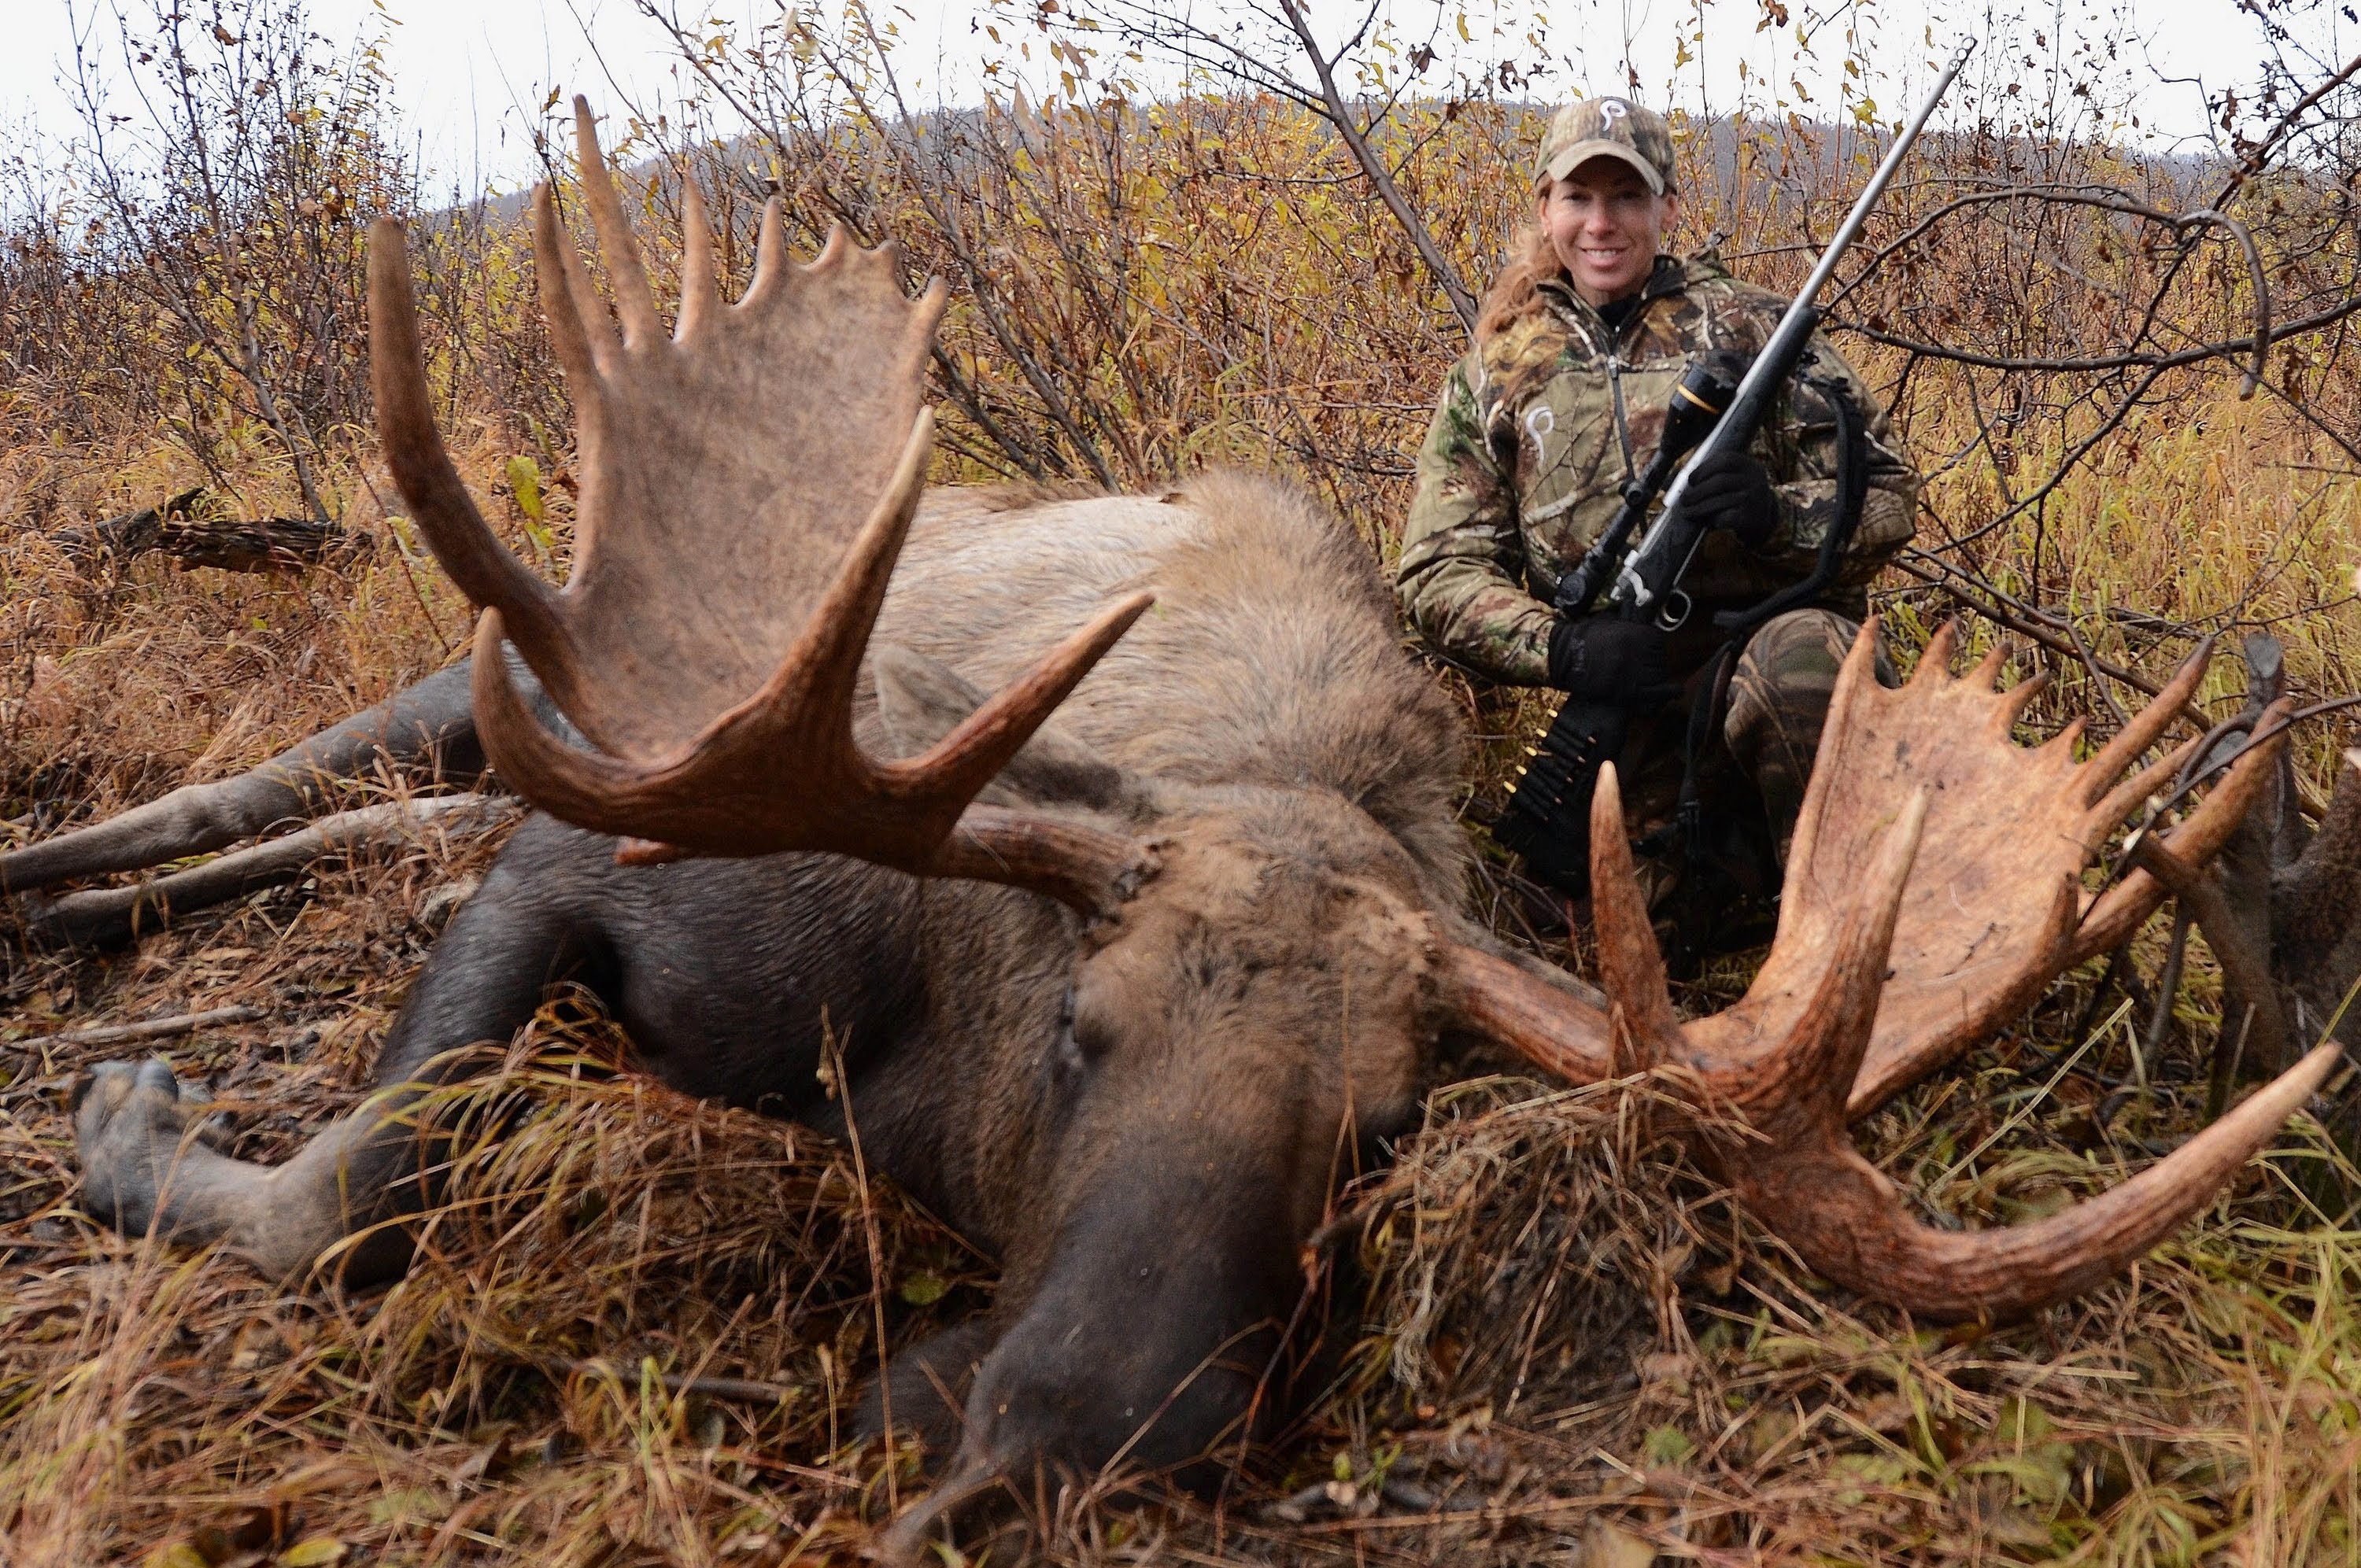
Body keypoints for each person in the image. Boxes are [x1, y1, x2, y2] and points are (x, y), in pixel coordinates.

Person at [1396, 96, 1921, 935]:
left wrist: (1775, 518)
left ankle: (1855, 937)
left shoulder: (1756, 332)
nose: (1602, 224)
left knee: (1807, 663)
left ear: (1668, 208)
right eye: (1579, 199)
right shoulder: (1499, 369)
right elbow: (1434, 570)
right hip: (1613, 698)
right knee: (1595, 924)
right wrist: (1562, 647)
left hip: (1749, 676)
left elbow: (1891, 496)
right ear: (1546, 209)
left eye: (1628, 198)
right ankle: (1720, 897)